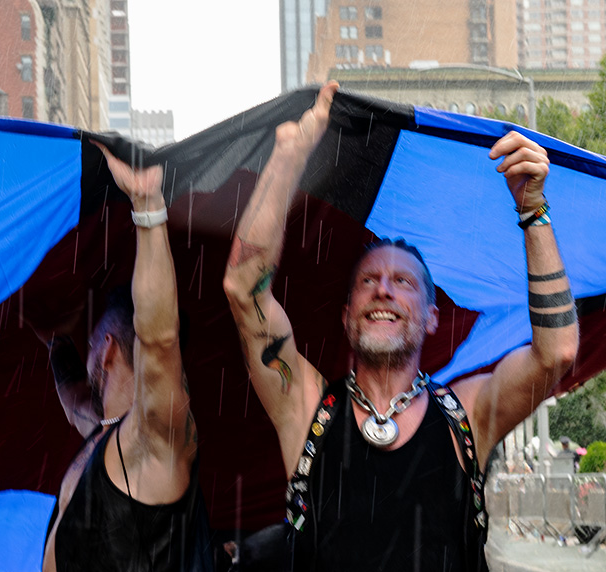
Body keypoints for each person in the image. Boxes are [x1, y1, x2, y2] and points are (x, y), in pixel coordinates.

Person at [223, 82, 578, 571]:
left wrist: (533, 210)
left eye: (404, 282)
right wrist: (290, 154)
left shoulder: (468, 415)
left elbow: (555, 353)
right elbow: (244, 289)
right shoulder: (305, 409)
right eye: (369, 280)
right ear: (347, 316)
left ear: (432, 317)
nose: (384, 290)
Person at [39, 142, 214, 571]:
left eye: (91, 345)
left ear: (107, 350)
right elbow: (74, 400)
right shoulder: (103, 432)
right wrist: (56, 343)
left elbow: (157, 341)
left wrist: (148, 210)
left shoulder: (152, 436)